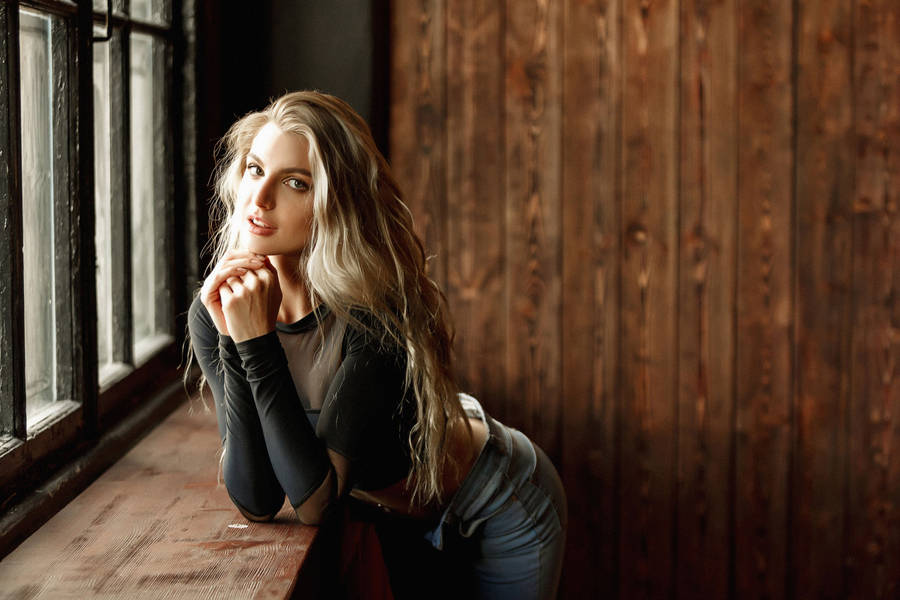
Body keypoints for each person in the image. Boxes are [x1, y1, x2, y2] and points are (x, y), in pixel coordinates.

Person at [187, 91, 567, 599]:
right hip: (396, 512)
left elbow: (315, 503)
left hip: (497, 499)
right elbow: (256, 499)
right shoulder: (218, 311)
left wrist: (256, 344)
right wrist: (242, 340)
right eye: (255, 170)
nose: (259, 200)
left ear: (335, 203)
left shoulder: (372, 313)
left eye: (295, 183)